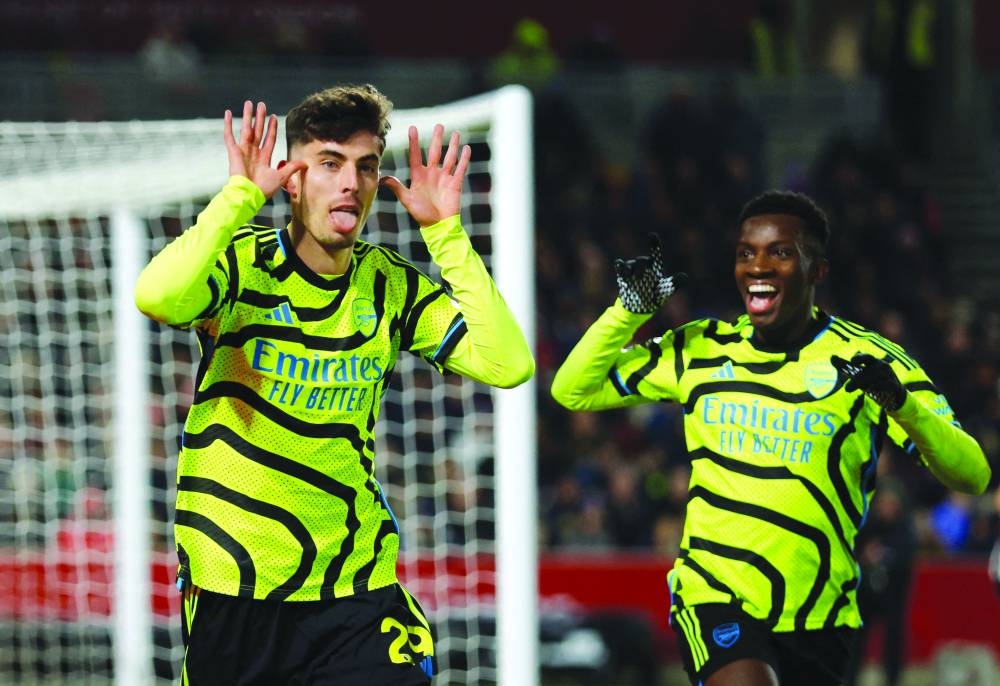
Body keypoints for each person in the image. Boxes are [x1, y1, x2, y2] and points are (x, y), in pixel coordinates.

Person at [134, 84, 534, 684]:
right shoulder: (244, 266)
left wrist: (447, 236)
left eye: (365, 166)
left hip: (354, 592)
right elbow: (156, 296)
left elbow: (508, 364)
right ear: (292, 178)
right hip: (235, 590)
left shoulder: (388, 286)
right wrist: (239, 196)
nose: (351, 182)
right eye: (329, 163)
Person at [550, 189, 990, 686]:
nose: (757, 265)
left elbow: (973, 475)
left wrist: (903, 406)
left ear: (817, 270)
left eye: (779, 252)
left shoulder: (869, 362)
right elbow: (572, 389)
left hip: (822, 616)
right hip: (714, 595)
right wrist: (628, 312)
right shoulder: (702, 348)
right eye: (745, 253)